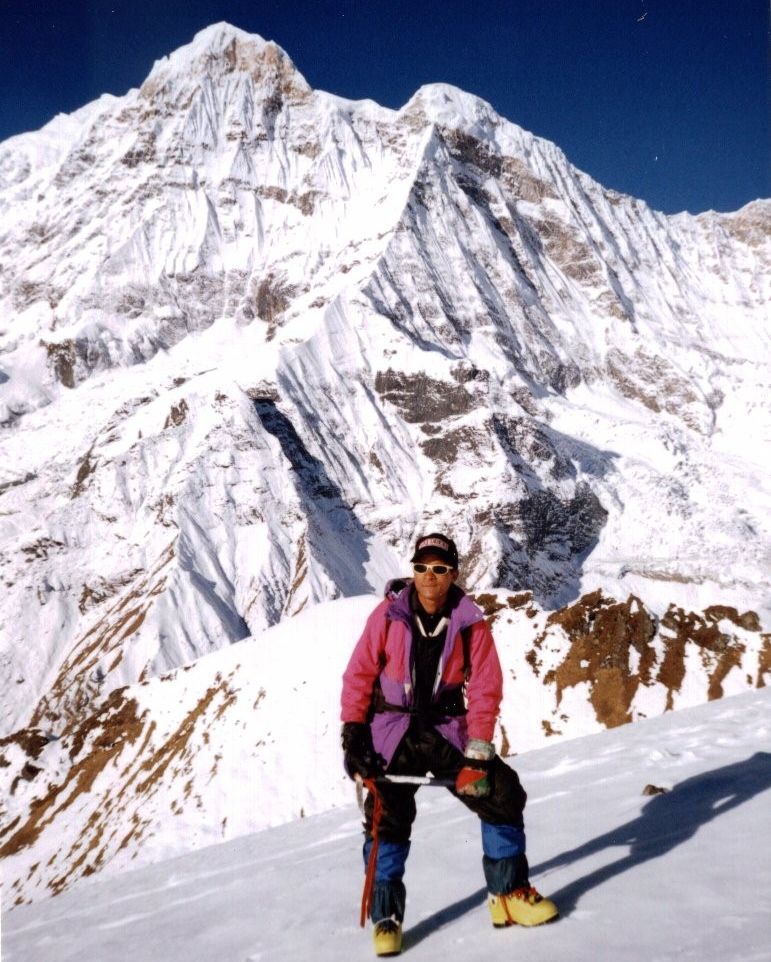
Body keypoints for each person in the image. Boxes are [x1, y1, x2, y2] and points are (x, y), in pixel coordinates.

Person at [340, 532, 558, 956]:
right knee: (387, 815)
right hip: (392, 732)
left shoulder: (469, 622)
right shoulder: (387, 616)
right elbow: (360, 674)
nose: (429, 577)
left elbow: (485, 686)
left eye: (439, 569)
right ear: (413, 570)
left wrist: (478, 749)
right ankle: (387, 917)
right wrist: (353, 733)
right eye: (421, 567)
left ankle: (508, 895)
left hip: (445, 731)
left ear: (453, 574)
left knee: (500, 791)